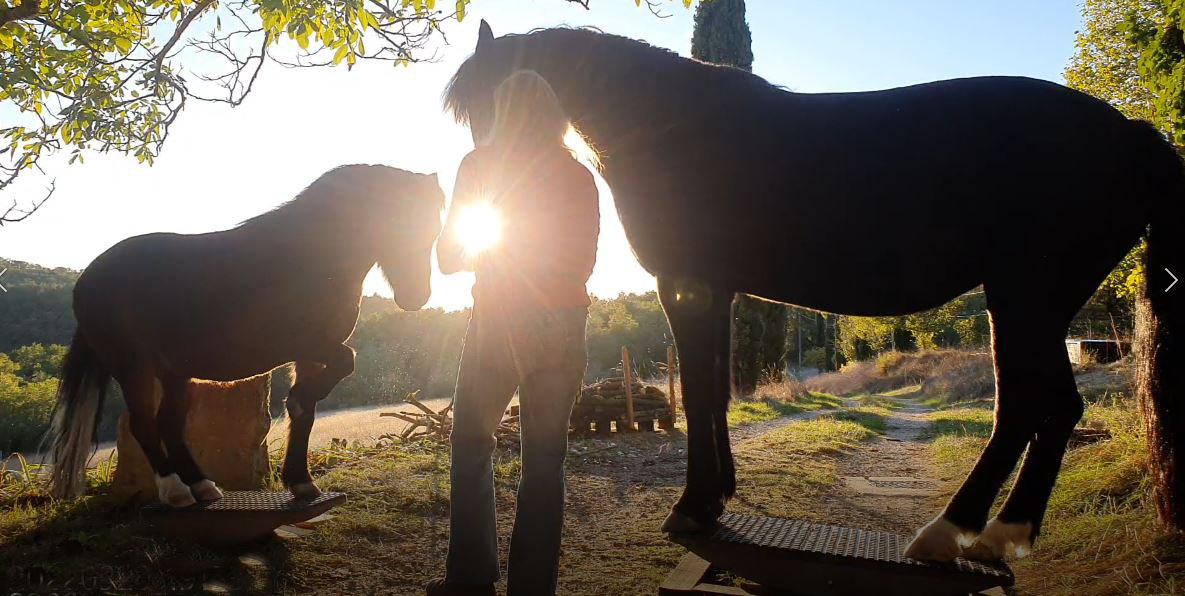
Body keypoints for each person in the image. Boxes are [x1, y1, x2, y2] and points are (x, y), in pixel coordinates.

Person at [427, 70, 600, 596]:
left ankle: (471, 579)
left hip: (500, 323)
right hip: (565, 327)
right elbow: (585, 263)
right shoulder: (580, 177)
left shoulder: (480, 165)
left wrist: (488, 251)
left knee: (472, 442)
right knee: (545, 463)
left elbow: (450, 257)